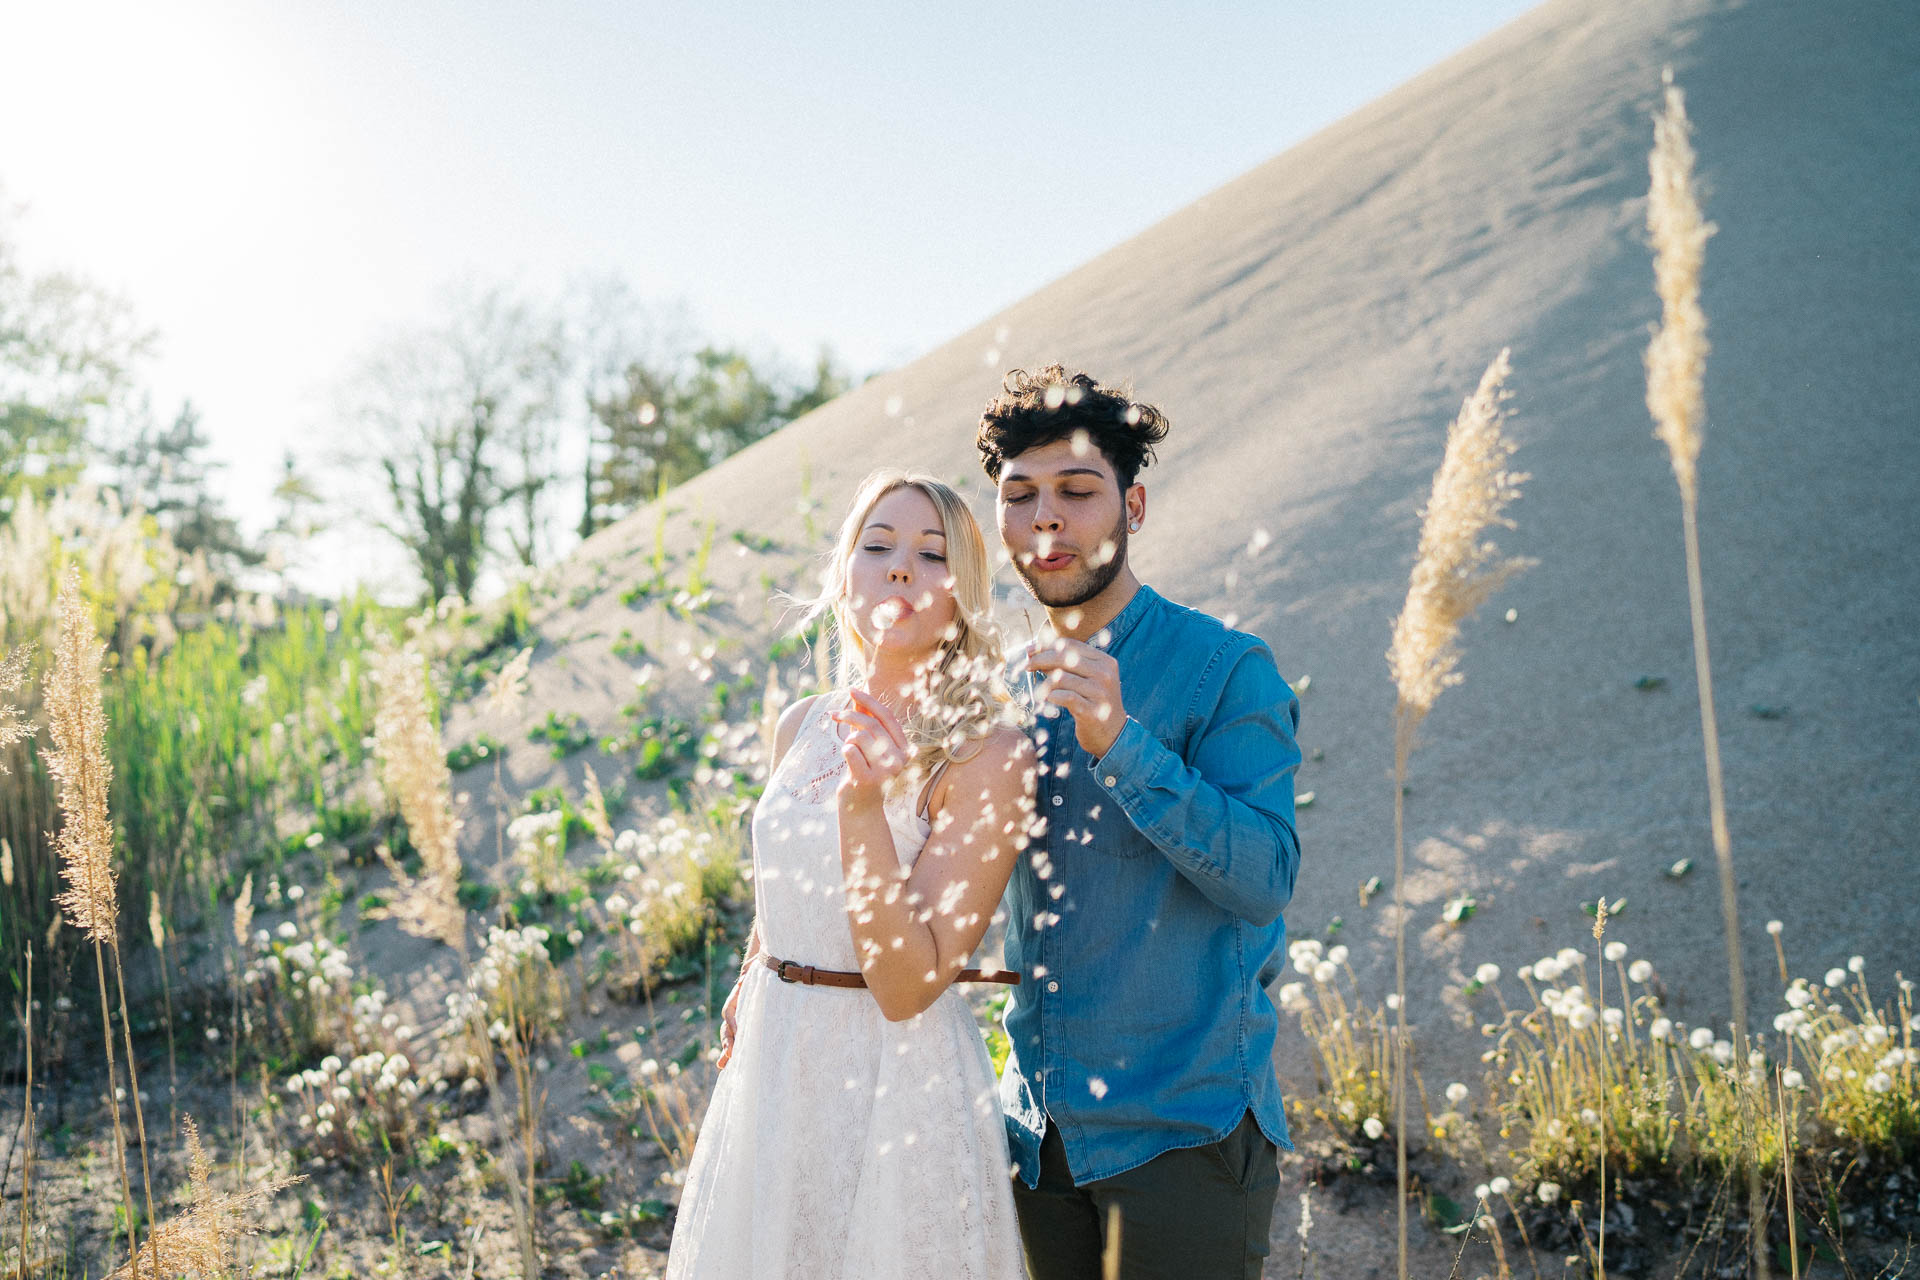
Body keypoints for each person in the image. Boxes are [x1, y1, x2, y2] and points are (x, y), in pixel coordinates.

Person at [666, 470, 1036, 1280]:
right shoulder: (802, 723)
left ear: (964, 599)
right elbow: (788, 883)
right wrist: (753, 969)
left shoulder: (988, 753)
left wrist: (864, 810)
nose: (900, 567)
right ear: (844, 576)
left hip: (895, 1083)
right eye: (878, 546)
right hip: (778, 1063)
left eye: (932, 554)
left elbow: (909, 986)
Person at [978, 365, 1303, 1280]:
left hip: (1182, 1135)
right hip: (1034, 1137)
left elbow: (1266, 876)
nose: (1048, 519)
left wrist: (1121, 743)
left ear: (1136, 506)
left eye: (1079, 492)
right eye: (1022, 496)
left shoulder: (1226, 668)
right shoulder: (1001, 690)